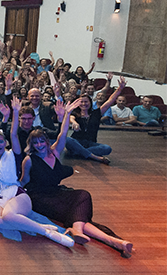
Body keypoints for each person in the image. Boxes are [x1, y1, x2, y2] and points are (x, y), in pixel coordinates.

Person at [22, 102, 133, 258]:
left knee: (83, 195)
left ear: (46, 141)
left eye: (41, 141)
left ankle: (82, 232)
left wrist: (67, 114)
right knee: (76, 213)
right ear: (31, 145)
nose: (39, 145)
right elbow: (23, 181)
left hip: (56, 192)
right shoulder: (29, 160)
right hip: (39, 197)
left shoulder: (54, 152)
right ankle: (112, 241)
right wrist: (6, 192)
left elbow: (63, 133)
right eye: (35, 143)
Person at [0, 98, 75, 247]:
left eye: (1, 141)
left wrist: (16, 112)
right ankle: (40, 227)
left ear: (6, 143)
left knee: (8, 215)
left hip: (16, 190)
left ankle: (49, 233)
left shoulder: (14, 154)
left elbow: (13, 134)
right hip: (0, 194)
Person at [64, 78, 126, 164]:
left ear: (90, 103)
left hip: (91, 143)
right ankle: (93, 156)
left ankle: (79, 153)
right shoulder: (75, 113)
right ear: (78, 104)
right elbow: (71, 118)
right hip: (77, 141)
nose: (83, 104)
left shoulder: (96, 113)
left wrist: (120, 89)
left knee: (107, 148)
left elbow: (110, 101)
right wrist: (74, 123)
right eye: (81, 102)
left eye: (86, 102)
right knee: (67, 139)